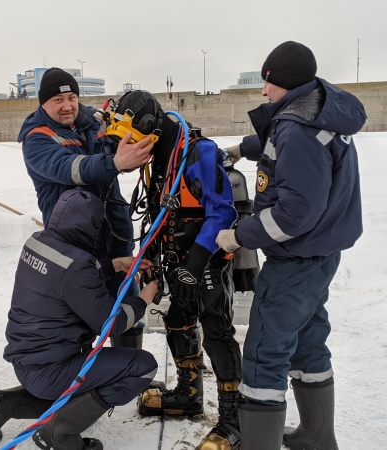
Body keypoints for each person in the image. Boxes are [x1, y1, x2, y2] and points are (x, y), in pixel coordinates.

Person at [216, 41, 365, 450]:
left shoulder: (297, 129)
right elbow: (280, 147)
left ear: (284, 84)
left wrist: (239, 235)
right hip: (321, 254)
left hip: (295, 260)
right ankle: (317, 437)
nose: (264, 92)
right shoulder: (319, 105)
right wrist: (243, 149)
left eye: (268, 83)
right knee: (308, 341)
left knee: (265, 353)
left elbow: (294, 215)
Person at [105, 89, 246, 450]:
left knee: (217, 331)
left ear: (150, 127)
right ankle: (188, 393)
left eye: (132, 139)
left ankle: (233, 419)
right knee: (178, 320)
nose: (130, 149)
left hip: (206, 258)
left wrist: (195, 265)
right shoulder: (158, 155)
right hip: (174, 257)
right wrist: (151, 254)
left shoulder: (199, 152)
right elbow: (157, 209)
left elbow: (223, 212)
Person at [0, 187, 159, 449]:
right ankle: (58, 433)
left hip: (29, 360)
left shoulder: (37, 242)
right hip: (53, 369)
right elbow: (112, 323)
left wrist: (116, 265)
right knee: (142, 367)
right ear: (93, 227)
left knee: (84, 388)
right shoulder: (77, 265)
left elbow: (66, 279)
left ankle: (0, 405)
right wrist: (144, 298)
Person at [17, 68, 154, 304]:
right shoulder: (36, 138)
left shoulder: (94, 122)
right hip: (74, 242)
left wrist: (132, 155)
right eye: (58, 100)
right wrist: (117, 162)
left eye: (71, 98)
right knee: (83, 309)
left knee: (125, 305)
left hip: (115, 232)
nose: (67, 105)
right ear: (43, 103)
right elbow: (72, 169)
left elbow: (116, 151)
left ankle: (127, 339)